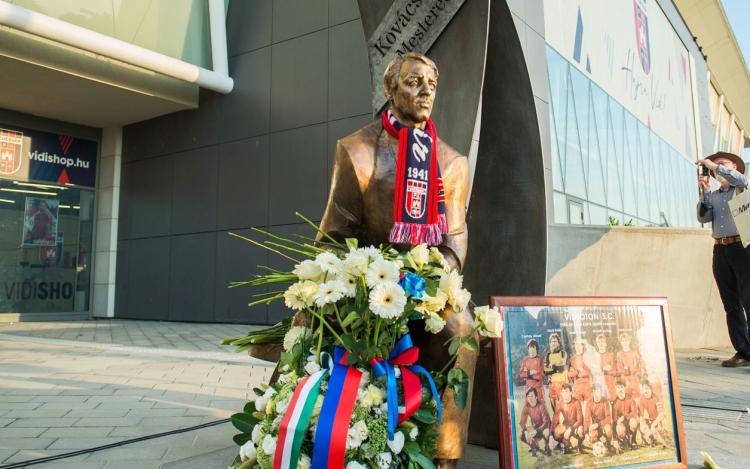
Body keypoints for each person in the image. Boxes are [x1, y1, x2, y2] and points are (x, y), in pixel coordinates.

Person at [315, 52, 472, 469]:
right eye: (413, 82)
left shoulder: (451, 162)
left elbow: (454, 244)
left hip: (423, 288)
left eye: (431, 86)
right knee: (321, 320)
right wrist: (361, 281)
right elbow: (333, 238)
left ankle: (446, 452)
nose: (424, 93)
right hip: (365, 283)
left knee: (461, 328)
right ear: (389, 89)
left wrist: (425, 284)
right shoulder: (357, 151)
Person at [697, 152, 750, 367]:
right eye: (714, 166)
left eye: (722, 164)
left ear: (734, 166)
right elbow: (703, 217)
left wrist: (714, 165)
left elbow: (742, 180)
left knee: (749, 300)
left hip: (743, 247)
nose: (716, 168)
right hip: (720, 249)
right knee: (731, 303)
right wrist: (705, 193)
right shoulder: (716, 195)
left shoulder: (741, 188)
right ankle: (743, 351)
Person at [551, 383, 584, 454]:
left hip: (576, 425)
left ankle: (580, 446)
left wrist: (570, 429)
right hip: (566, 425)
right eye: (563, 392)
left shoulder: (576, 402)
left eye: (566, 391)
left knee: (581, 431)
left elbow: (580, 420)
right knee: (555, 433)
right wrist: (551, 435)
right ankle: (567, 444)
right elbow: (554, 419)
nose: (564, 394)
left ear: (571, 393)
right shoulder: (560, 404)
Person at [518, 388, 552, 457]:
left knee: (546, 432)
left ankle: (547, 446)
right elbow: (522, 422)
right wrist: (526, 432)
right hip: (535, 428)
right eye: (528, 396)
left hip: (544, 428)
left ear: (536, 397)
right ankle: (534, 446)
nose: (530, 398)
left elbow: (546, 422)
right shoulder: (526, 406)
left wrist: (536, 431)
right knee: (520, 433)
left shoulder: (541, 405)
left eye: (532, 396)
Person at [583, 384, 613, 452]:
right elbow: (587, 419)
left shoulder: (605, 401)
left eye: (598, 392)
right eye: (594, 391)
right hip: (596, 427)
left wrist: (598, 424)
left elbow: (608, 418)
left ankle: (608, 445)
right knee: (591, 434)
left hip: (604, 425)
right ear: (592, 393)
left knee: (608, 429)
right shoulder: (589, 402)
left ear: (601, 392)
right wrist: (586, 433)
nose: (596, 394)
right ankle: (600, 445)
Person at [637, 380, 668, 448]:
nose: (645, 390)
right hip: (650, 420)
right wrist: (645, 427)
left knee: (664, 421)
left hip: (657, 420)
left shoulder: (656, 397)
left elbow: (661, 414)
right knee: (643, 427)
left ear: (650, 389)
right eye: (644, 388)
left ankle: (664, 435)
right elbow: (643, 417)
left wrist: (653, 425)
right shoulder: (641, 399)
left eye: (647, 388)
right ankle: (652, 439)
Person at [612, 378, 638, 452]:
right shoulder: (615, 403)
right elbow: (614, 422)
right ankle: (623, 441)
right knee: (619, 429)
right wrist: (614, 440)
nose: (620, 389)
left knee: (633, 421)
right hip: (622, 425)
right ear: (616, 389)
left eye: (622, 387)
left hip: (629, 423)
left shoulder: (630, 398)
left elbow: (635, 412)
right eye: (618, 387)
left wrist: (624, 417)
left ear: (625, 388)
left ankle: (633, 441)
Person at [543, 333, 568, 411]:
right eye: (552, 341)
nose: (553, 343)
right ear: (550, 343)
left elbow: (562, 368)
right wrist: (556, 368)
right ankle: (557, 422)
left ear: (558, 343)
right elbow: (545, 371)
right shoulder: (548, 355)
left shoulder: (563, 353)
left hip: (562, 382)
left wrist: (552, 367)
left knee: (563, 406)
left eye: (555, 341)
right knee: (554, 408)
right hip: (551, 384)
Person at [616, 333, 642, 398]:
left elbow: (637, 368)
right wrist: (631, 370)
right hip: (624, 380)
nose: (625, 343)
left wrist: (628, 368)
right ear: (621, 342)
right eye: (623, 341)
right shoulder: (619, 354)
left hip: (634, 379)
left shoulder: (634, 353)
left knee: (636, 399)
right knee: (626, 400)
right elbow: (620, 370)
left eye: (626, 340)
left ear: (629, 341)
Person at [568, 337, 593, 405]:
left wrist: (575, 372)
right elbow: (570, 374)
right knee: (578, 409)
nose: (577, 346)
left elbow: (586, 372)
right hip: (577, 386)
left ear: (582, 345)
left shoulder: (587, 357)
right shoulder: (573, 359)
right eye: (576, 344)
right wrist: (579, 371)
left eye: (579, 344)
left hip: (586, 384)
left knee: (588, 408)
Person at [594, 333, 617, 400]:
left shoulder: (610, 355)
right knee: (602, 401)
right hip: (600, 381)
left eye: (602, 342)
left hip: (610, 381)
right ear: (597, 343)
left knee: (612, 400)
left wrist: (600, 370)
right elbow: (594, 371)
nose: (601, 344)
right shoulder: (595, 356)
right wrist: (604, 368)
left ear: (605, 343)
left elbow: (614, 371)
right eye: (599, 342)